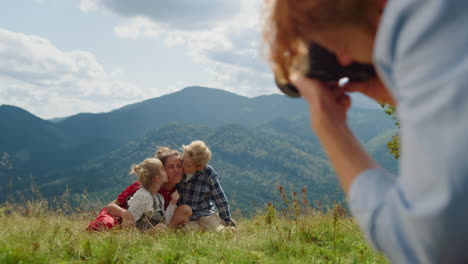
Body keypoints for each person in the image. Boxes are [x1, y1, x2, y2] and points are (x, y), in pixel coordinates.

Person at [263, 0, 468, 263]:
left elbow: (431, 246)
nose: (346, 60)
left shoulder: (420, 18)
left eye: (340, 46)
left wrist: (330, 126)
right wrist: (406, 94)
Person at [86, 147, 191, 231]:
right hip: (120, 217)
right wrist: (125, 214)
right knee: (106, 225)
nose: (177, 170)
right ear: (160, 171)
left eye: (178, 165)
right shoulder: (144, 186)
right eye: (171, 167)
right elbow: (111, 207)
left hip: (144, 226)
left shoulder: (180, 189)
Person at [178, 140, 236, 232]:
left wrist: (227, 220)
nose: (183, 166)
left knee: (218, 231)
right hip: (185, 215)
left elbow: (220, 199)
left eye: (188, 165)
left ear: (200, 167)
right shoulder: (179, 168)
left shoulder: (208, 173)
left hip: (204, 213)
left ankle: (225, 230)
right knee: (184, 231)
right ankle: (202, 229)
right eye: (183, 161)